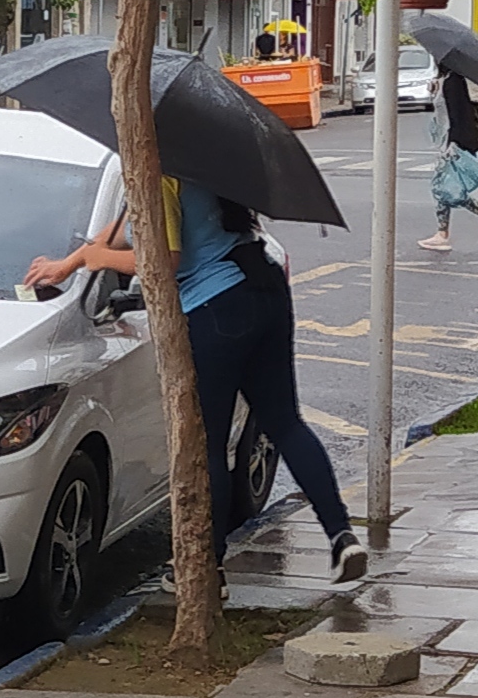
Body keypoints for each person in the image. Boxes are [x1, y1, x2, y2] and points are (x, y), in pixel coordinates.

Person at [25, 180, 366, 585]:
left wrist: (101, 259)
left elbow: (164, 259)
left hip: (215, 307)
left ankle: (208, 569)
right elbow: (126, 226)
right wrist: (76, 259)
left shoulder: (163, 175)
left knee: (208, 446)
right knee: (285, 423)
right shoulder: (205, 164)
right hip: (263, 288)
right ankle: (341, 536)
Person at [417, 73, 478, 253]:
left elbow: (459, 115)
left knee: (441, 188)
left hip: (453, 144)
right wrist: (435, 91)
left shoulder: (454, 82)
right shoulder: (448, 81)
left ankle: (442, 235)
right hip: (448, 142)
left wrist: (454, 145)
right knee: (449, 189)